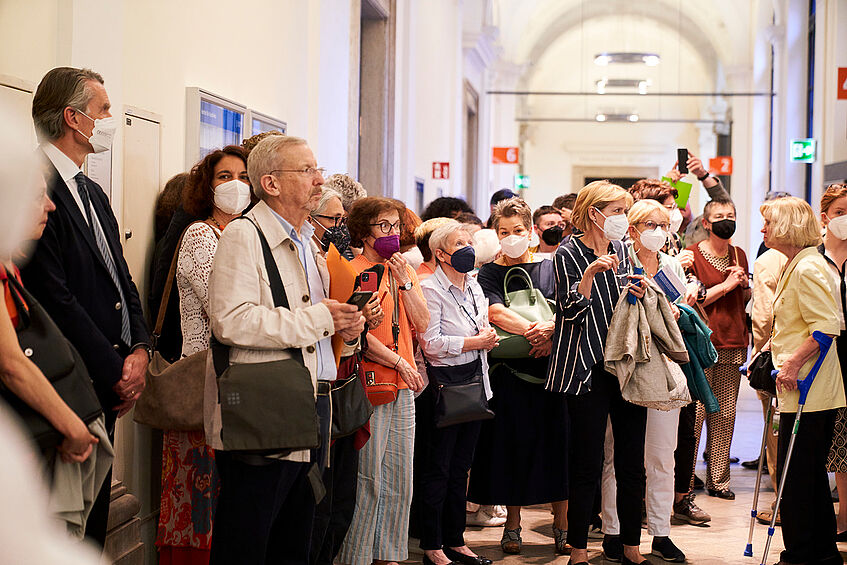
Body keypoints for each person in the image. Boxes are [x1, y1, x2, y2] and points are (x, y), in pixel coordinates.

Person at [206, 134, 365, 563]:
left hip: (306, 407)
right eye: (308, 171)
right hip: (264, 412)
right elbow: (231, 320)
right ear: (272, 184)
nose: (320, 180)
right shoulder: (244, 235)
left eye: (318, 169)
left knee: (294, 541)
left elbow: (313, 321)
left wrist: (345, 329)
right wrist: (321, 320)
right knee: (248, 538)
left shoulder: (307, 241)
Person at [23, 66, 151, 548]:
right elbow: (54, 296)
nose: (110, 118)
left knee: (94, 521)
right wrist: (115, 366)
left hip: (111, 377)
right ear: (73, 118)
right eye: (102, 110)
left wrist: (140, 346)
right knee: (63, 528)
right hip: (71, 378)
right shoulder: (31, 186)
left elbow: (121, 276)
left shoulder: (91, 190)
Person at [155, 145, 251, 564]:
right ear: (207, 187)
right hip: (203, 380)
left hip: (237, 383)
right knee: (197, 494)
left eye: (243, 177)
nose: (235, 185)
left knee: (229, 497)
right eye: (224, 177)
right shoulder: (199, 235)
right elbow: (226, 309)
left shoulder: (245, 235)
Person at [546, 181, 649, 565]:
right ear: (595, 213)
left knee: (630, 461)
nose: (623, 219)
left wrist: (640, 289)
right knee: (586, 462)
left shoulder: (625, 249)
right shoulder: (568, 253)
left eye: (625, 211)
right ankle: (577, 549)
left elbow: (636, 296)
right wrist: (588, 276)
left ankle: (631, 546)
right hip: (586, 368)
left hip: (625, 364)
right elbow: (569, 313)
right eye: (618, 211)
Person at [467, 198, 569, 556]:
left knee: (556, 449)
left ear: (532, 232)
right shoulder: (490, 272)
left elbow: (568, 308)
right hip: (509, 376)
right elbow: (494, 310)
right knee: (512, 449)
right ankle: (512, 526)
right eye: (503, 232)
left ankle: (562, 525)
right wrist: (535, 333)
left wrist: (551, 334)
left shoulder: (553, 266)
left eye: (518, 231)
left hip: (553, 372)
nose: (511, 237)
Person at [338, 196, 430, 565]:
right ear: (363, 231)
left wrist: (406, 282)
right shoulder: (353, 269)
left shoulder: (400, 270)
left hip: (403, 385)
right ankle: (356, 555)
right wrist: (398, 361)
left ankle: (390, 554)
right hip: (371, 380)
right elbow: (360, 332)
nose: (392, 233)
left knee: (399, 475)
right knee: (369, 477)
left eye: (396, 225)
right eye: (384, 226)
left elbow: (423, 323)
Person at [599, 199, 687, 562]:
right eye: (650, 224)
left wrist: (674, 311)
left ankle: (661, 532)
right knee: (617, 455)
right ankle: (614, 530)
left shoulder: (669, 265)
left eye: (664, 225)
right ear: (633, 228)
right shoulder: (619, 264)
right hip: (626, 367)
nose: (658, 231)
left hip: (663, 367)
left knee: (663, 455)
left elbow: (680, 310)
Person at [763, 196, 845, 565]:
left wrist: (793, 364)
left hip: (811, 389)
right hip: (801, 389)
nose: (763, 229)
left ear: (786, 228)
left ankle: (805, 554)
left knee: (799, 479)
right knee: (803, 477)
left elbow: (826, 326)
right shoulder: (797, 263)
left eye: (768, 223)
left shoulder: (808, 267)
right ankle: (815, 552)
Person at [2, 165, 100, 466]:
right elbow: (11, 364)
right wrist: (73, 428)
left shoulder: (10, 265)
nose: (50, 204)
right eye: (36, 196)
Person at [416, 220, 497, 565]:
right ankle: (432, 544)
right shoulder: (429, 289)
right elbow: (431, 344)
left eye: (469, 241)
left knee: (461, 467)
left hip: (477, 385)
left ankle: (456, 538)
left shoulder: (474, 285)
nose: (467, 247)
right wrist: (475, 341)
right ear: (440, 253)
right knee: (439, 468)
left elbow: (481, 326)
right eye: (459, 242)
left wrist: (485, 336)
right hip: (445, 388)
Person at [685, 198, 750, 500]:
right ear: (707, 223)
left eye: (732, 215)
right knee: (696, 414)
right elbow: (693, 300)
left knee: (725, 414)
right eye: (720, 216)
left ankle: (719, 479)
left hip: (733, 340)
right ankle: (684, 479)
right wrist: (727, 285)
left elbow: (745, 296)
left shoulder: (739, 254)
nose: (727, 220)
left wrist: (744, 285)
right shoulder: (692, 255)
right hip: (703, 342)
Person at [818, 183, 847, 539]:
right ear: (825, 217)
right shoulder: (812, 259)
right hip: (823, 353)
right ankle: (833, 521)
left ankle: (844, 523)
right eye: (841, 212)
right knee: (833, 441)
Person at [310, 187, 354, 259]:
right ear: (310, 220)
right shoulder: (301, 257)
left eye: (342, 219)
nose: (340, 226)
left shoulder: (339, 260)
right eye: (336, 219)